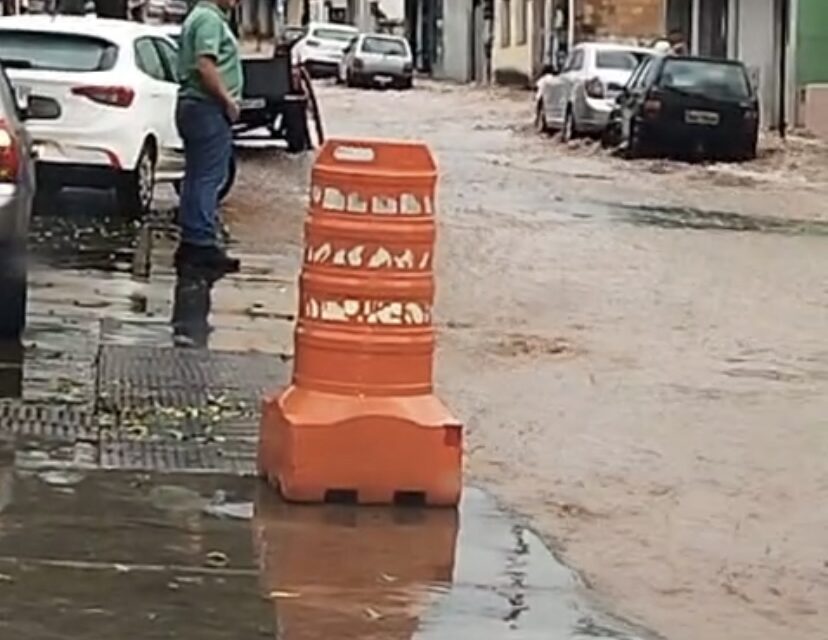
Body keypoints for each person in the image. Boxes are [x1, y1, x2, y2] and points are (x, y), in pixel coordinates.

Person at [175, 0, 242, 273]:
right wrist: (228, 101)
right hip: (207, 107)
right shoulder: (209, 20)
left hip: (195, 106)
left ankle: (191, 242)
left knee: (195, 176)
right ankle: (200, 243)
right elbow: (205, 65)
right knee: (208, 177)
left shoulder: (198, 16)